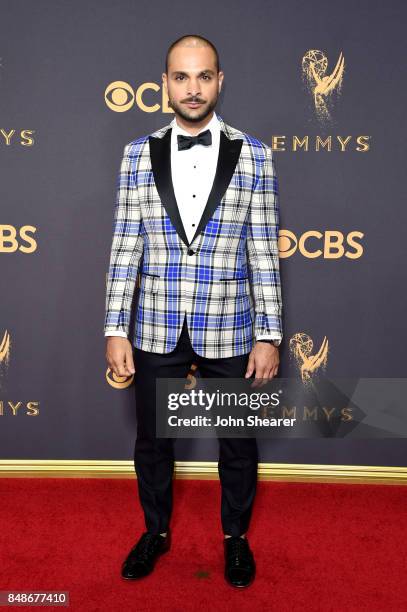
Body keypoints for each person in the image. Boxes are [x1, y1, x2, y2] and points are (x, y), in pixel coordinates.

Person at [104, 34, 283, 588]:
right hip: (155, 324)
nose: (193, 88)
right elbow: (125, 246)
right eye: (181, 77)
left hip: (230, 325)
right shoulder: (136, 153)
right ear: (165, 84)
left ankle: (235, 539)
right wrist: (115, 327)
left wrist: (270, 333)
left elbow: (263, 251)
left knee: (237, 441)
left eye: (203, 76)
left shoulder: (255, 154)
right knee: (153, 442)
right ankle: (154, 532)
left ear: (220, 81)